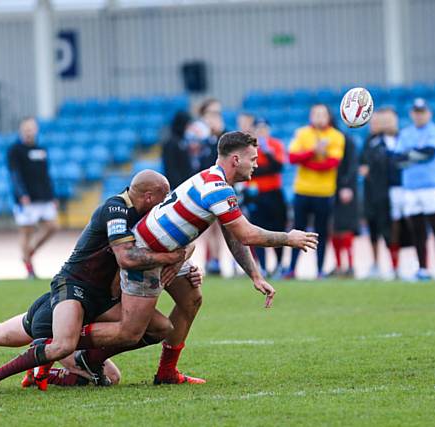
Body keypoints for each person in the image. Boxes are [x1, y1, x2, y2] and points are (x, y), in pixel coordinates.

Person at [53, 131, 318, 382]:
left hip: (166, 252)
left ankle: (167, 372)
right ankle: (61, 345)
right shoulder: (217, 189)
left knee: (192, 297)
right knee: (132, 331)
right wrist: (288, 238)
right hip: (145, 256)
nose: (256, 165)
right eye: (253, 159)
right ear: (236, 159)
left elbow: (234, 234)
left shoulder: (213, 180)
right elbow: (247, 234)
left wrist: (255, 275)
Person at [0, 171, 196, 390]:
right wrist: (173, 257)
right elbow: (126, 258)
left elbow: (184, 238)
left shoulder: (147, 217)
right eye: (163, 198)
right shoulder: (115, 209)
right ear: (149, 196)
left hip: (101, 300)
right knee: (2, 334)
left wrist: (183, 258)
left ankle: (50, 367)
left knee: (153, 335)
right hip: (72, 288)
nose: (166, 205)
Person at [285, 104, 345, 279]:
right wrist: (315, 152)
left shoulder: (336, 136)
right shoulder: (302, 133)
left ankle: (319, 269)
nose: (319, 117)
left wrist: (307, 160)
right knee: (297, 231)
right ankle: (292, 268)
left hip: (324, 192)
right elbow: (292, 157)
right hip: (302, 191)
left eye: (322, 114)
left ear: (328, 117)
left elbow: (332, 163)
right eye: (316, 114)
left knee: (322, 232)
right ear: (311, 116)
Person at [395, 98, 435, 281]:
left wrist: (410, 155)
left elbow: (431, 152)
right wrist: (417, 155)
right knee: (417, 231)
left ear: (429, 113)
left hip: (431, 186)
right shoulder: (406, 133)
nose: (419, 115)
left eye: (422, 112)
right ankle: (423, 268)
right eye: (416, 112)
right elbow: (397, 158)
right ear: (412, 114)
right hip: (411, 187)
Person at [7, 117, 58, 279]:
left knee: (53, 226)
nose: (29, 131)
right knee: (26, 231)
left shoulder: (41, 149)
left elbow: (46, 175)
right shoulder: (15, 150)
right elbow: (14, 174)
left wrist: (52, 195)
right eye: (26, 128)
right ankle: (29, 269)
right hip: (26, 198)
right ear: (21, 130)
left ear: (36, 130)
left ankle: (30, 252)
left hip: (43, 196)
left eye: (31, 128)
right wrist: (22, 194)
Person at [360, 108, 401, 279]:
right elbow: (361, 161)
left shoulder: (393, 141)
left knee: (390, 231)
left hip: (387, 192)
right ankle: (376, 264)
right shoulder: (369, 141)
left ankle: (395, 266)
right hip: (371, 192)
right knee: (373, 229)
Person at [245, 118, 288, 277]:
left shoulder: (275, 145)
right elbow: (252, 170)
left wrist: (267, 152)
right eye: (259, 128)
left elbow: (278, 166)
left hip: (274, 192)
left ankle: (278, 265)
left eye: (265, 128)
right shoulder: (249, 148)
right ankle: (262, 266)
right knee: (257, 230)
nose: (262, 131)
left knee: (278, 228)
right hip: (256, 194)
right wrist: (266, 168)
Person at [197, 98, 227, 275]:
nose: (214, 117)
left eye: (217, 113)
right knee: (207, 226)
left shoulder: (224, 135)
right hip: (202, 186)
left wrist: (219, 134)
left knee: (221, 226)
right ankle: (211, 260)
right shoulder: (197, 136)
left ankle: (218, 260)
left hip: (220, 186)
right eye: (211, 113)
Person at [331, 132, 359, 277]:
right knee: (333, 228)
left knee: (345, 227)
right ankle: (338, 265)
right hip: (328, 188)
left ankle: (350, 265)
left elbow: (352, 165)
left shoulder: (345, 139)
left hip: (343, 189)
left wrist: (346, 185)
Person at [162, 111, 195, 190]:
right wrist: (179, 188)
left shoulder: (184, 141)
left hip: (186, 186)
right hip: (178, 189)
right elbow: (171, 169)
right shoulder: (170, 143)